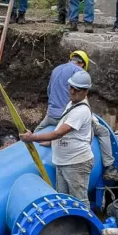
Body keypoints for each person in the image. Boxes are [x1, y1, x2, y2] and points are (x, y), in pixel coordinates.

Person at [37, 51, 118, 182]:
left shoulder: (56, 69)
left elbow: (49, 90)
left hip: (50, 116)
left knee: (37, 132)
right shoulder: (79, 74)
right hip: (66, 120)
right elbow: (84, 101)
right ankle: (110, 168)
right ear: (82, 64)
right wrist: (92, 119)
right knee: (103, 132)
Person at [20, 71, 96, 204]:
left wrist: (33, 137)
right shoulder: (72, 104)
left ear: (86, 92)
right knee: (63, 200)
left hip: (76, 163)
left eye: (77, 89)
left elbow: (59, 132)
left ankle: (83, 225)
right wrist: (51, 142)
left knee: (80, 201)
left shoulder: (81, 111)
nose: (72, 91)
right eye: (71, 87)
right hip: (63, 162)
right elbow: (66, 134)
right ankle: (68, 224)